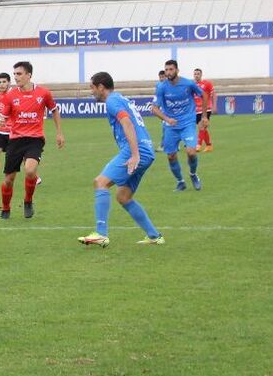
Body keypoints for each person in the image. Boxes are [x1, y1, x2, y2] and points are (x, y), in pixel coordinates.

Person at [79, 72, 164, 247]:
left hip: (137, 150)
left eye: (92, 87)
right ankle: (155, 236)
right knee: (123, 196)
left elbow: (127, 123)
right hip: (147, 150)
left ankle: (101, 234)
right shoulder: (120, 98)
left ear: (101, 87)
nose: (91, 91)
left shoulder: (112, 101)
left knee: (100, 182)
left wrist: (134, 155)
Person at [0, 61, 64, 220]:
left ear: (29, 75)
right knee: (8, 180)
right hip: (15, 140)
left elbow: (54, 110)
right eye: (14, 74)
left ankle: (28, 201)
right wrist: (2, 120)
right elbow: (5, 116)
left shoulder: (43, 93)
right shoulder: (11, 95)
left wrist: (59, 133)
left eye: (19, 74)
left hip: (35, 139)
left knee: (30, 170)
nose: (16, 77)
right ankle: (6, 208)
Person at [150, 59, 203, 191]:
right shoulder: (162, 87)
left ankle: (193, 174)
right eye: (166, 69)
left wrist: (205, 117)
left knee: (191, 152)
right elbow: (154, 108)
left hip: (188, 123)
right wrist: (167, 119)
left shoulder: (188, 84)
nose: (168, 72)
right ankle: (181, 181)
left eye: (171, 69)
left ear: (177, 70)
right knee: (171, 155)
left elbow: (204, 95)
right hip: (171, 126)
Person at [193, 68, 215, 152]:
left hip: (206, 109)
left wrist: (214, 106)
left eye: (198, 74)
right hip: (196, 110)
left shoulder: (207, 84)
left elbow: (213, 94)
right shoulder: (192, 85)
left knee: (202, 126)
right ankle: (209, 145)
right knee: (202, 128)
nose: (196, 75)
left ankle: (198, 145)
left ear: (201, 75)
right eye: (195, 74)